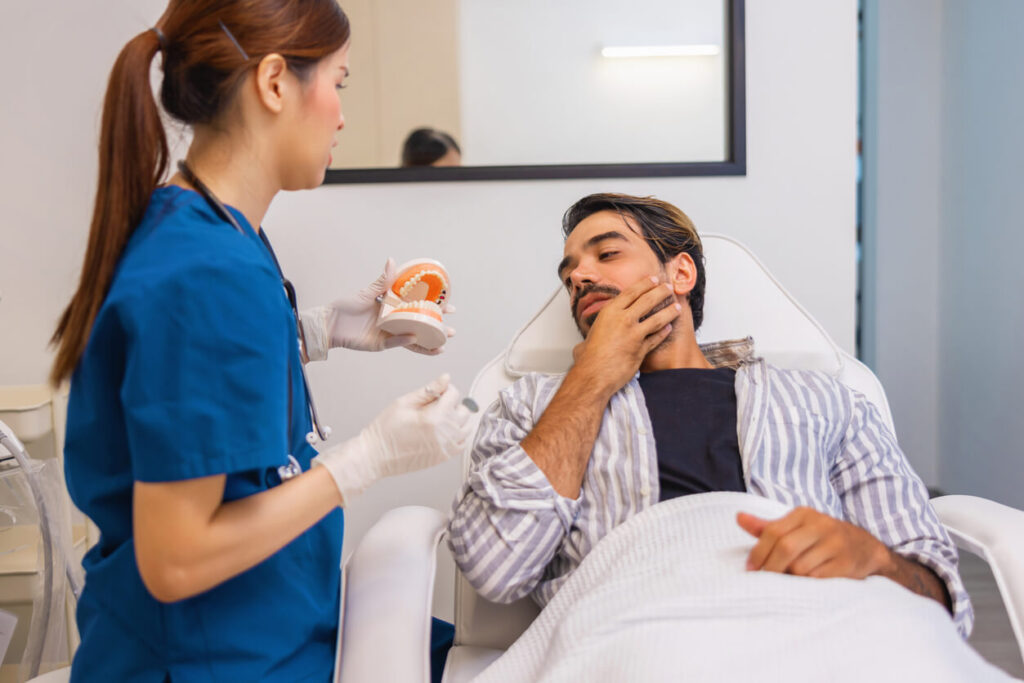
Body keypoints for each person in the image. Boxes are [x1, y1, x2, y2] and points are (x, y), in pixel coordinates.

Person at [50, 2, 472, 680]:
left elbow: (184, 383)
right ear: (275, 83)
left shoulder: (209, 229)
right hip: (207, 658)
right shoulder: (206, 269)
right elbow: (176, 558)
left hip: (259, 627)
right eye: (339, 82)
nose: (341, 114)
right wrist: (367, 459)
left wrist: (315, 333)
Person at [447, 192, 973, 638]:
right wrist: (590, 380)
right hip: (629, 641)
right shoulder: (530, 406)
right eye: (569, 276)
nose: (580, 276)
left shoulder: (826, 399)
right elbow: (496, 566)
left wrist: (877, 560)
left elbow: (943, 601)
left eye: (606, 254)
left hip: (810, 633)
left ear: (680, 273)